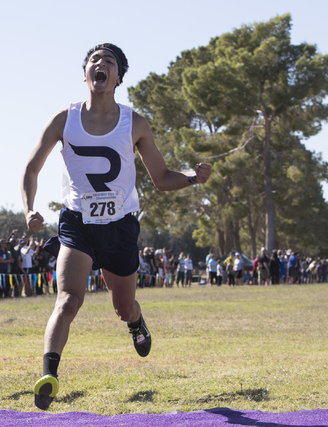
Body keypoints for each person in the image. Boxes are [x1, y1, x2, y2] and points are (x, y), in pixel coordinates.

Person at [21, 43, 211, 410]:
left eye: (108, 62)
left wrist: (191, 177)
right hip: (78, 222)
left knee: (122, 306)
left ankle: (137, 322)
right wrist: (29, 210)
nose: (100, 65)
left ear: (118, 77)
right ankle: (49, 374)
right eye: (94, 61)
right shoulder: (64, 120)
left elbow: (161, 177)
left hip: (120, 225)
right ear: (86, 74)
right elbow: (31, 169)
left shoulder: (134, 122)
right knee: (68, 299)